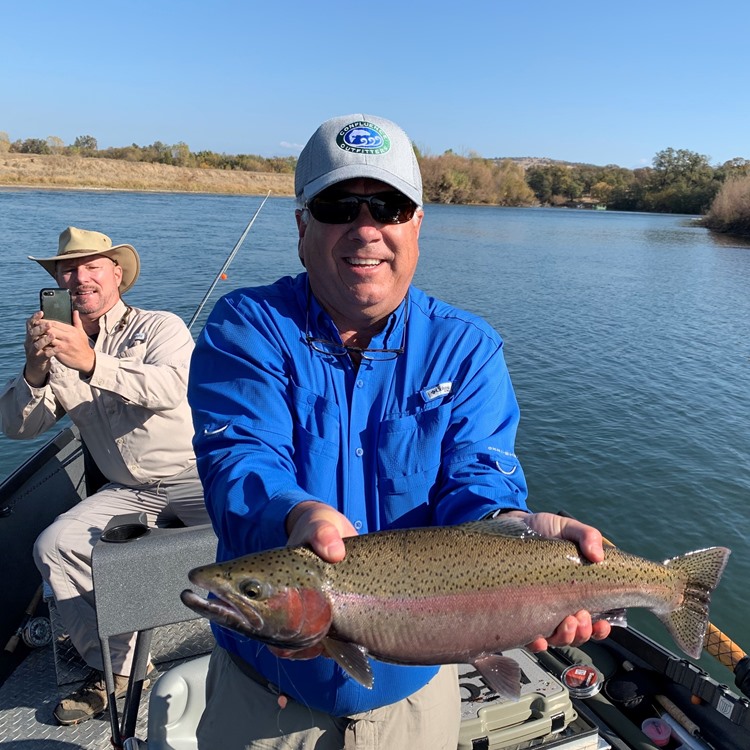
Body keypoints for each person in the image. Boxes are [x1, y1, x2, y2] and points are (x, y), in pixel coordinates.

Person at [188, 114, 610, 750]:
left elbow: (480, 478)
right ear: (302, 226)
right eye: (337, 205)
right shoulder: (246, 328)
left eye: (388, 206)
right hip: (265, 703)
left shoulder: (467, 348)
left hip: (419, 701)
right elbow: (239, 459)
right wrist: (298, 516)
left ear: (416, 223)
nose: (366, 229)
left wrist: (516, 529)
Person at [0, 226, 210, 726]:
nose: (80, 277)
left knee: (258, 532)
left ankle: (266, 643)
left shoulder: (161, 327)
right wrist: (34, 371)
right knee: (55, 544)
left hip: (196, 472)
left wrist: (91, 361)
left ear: (116, 274)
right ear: (57, 281)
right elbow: (19, 427)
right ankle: (114, 668)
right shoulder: (52, 347)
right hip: (128, 488)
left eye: (93, 266)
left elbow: (170, 387)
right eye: (67, 269)